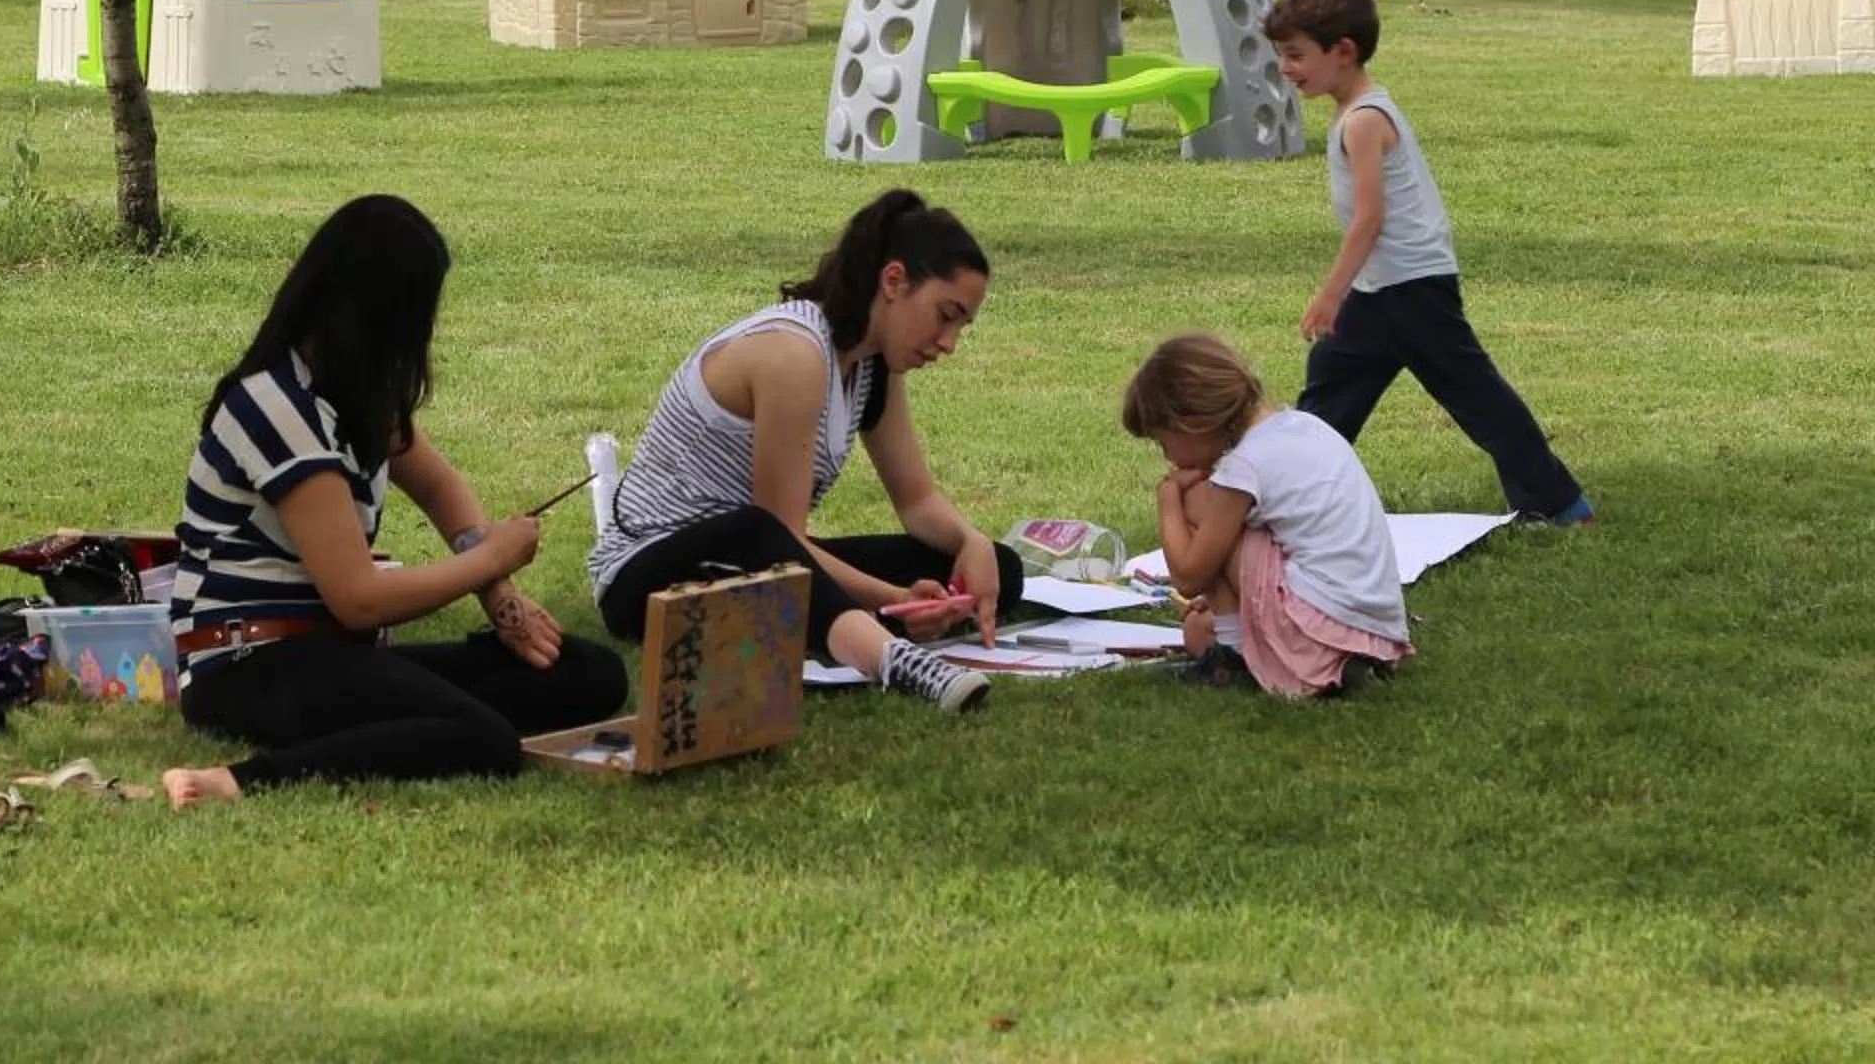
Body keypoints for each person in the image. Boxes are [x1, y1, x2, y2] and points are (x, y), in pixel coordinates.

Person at [160, 196, 627, 806]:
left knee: (589, 672)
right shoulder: (277, 406)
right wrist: (491, 560)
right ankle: (235, 781)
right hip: (248, 665)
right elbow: (359, 599)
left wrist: (501, 597)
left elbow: (438, 485)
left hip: (330, 656)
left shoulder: (353, 391)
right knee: (482, 739)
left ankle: (402, 724)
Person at [585, 190, 1023, 715]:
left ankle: (865, 623)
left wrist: (969, 543)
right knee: (756, 530)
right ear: (893, 281)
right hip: (648, 575)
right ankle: (894, 661)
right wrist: (894, 597)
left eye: (961, 326)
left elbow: (917, 500)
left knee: (997, 565)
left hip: (756, 558)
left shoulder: (872, 366)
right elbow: (780, 536)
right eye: (945, 315)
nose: (949, 342)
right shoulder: (794, 353)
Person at [1264, 0, 1595, 524]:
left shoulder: (1366, 121)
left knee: (1477, 398)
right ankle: (1296, 501)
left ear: (1342, 51)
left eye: (1296, 55)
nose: (1286, 68)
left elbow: (1371, 218)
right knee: (1329, 395)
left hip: (1411, 290)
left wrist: (1329, 294)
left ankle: (1559, 502)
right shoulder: (1356, 112)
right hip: (1379, 291)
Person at [1124, 333, 1410, 697]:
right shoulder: (1304, 426)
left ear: (1191, 421)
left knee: (1198, 499)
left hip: (1320, 624)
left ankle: (1233, 660)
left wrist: (1168, 498)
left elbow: (1189, 575)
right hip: (1370, 628)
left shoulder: (1245, 466)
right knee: (1196, 630)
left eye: (1164, 442)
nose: (1170, 460)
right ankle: (1332, 663)